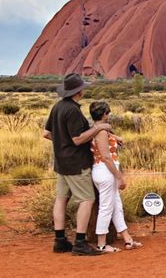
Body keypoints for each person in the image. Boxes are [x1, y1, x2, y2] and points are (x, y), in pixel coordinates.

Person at [44, 73, 112, 256]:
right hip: (76, 164)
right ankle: (80, 243)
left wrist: (61, 144)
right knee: (87, 199)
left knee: (61, 199)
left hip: (61, 163)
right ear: (78, 91)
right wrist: (98, 128)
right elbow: (77, 139)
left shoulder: (57, 107)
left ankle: (59, 241)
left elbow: (46, 133)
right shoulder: (72, 110)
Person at [89, 100, 142, 252]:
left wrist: (114, 136)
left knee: (116, 206)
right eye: (108, 112)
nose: (109, 114)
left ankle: (127, 239)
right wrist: (119, 176)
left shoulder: (96, 129)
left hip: (104, 171)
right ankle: (101, 244)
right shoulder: (101, 132)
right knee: (106, 207)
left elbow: (101, 134)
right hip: (106, 172)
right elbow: (106, 157)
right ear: (105, 114)